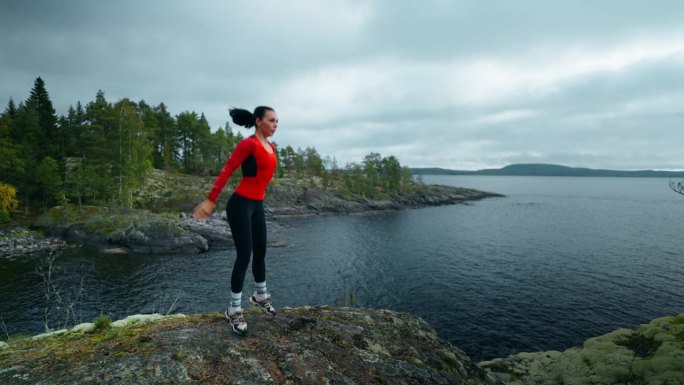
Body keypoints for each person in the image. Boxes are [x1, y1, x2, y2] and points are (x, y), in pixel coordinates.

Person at [193, 106, 278, 335]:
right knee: (244, 255)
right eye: (271, 120)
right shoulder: (248, 144)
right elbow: (227, 170)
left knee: (260, 251)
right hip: (240, 205)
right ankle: (234, 309)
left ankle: (260, 295)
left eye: (277, 121)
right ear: (259, 121)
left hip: (257, 205)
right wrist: (210, 201)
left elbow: (261, 180)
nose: (275, 124)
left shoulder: (271, 147)